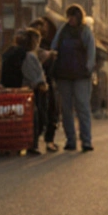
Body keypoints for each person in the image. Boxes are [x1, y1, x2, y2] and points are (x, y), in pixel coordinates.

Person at [49, 4, 97, 151]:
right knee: (66, 109)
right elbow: (54, 47)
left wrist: (88, 69)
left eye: (73, 16)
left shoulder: (85, 31)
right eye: (69, 16)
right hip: (64, 76)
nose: (71, 19)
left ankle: (86, 141)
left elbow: (91, 52)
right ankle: (71, 140)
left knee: (82, 107)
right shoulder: (63, 31)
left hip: (81, 76)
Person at [11, 28, 50, 155]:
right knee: (36, 117)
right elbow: (35, 78)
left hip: (17, 92)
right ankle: (32, 144)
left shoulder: (14, 53)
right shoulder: (29, 57)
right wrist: (42, 85)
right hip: (30, 92)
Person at [30, 16, 62, 151]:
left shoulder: (52, 43)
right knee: (37, 113)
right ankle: (33, 141)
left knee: (52, 110)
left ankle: (49, 140)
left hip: (49, 79)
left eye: (43, 26)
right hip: (33, 82)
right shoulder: (31, 45)